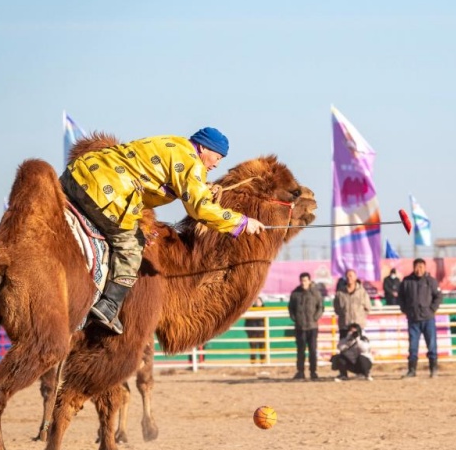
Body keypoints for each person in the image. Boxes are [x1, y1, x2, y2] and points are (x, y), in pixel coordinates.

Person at [60, 127, 265, 334]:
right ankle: (109, 305)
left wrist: (200, 188)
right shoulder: (191, 162)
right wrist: (241, 222)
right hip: (105, 193)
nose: (216, 164)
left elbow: (160, 179)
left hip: (75, 175)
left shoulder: (173, 143)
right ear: (203, 148)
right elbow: (200, 209)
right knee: (132, 245)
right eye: (217, 157)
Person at [398, 258, 443, 378]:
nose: (419, 270)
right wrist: (405, 309)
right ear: (413, 268)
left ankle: (433, 369)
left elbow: (438, 296)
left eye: (421, 267)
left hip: (428, 319)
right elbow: (400, 297)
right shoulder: (406, 281)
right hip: (413, 320)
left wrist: (432, 309)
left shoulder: (431, 281)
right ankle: (412, 370)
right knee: (413, 346)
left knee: (432, 345)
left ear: (425, 267)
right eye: (417, 267)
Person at [288, 273, 325, 380]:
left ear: (309, 281)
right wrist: (295, 318)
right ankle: (300, 372)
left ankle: (313, 372)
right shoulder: (295, 293)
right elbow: (291, 308)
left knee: (312, 350)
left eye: (305, 280)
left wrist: (315, 318)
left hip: (312, 327)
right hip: (300, 327)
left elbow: (320, 307)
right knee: (301, 350)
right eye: (302, 280)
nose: (303, 283)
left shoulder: (315, 293)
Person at [333, 269, 371, 339]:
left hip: (358, 326)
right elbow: (336, 308)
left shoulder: (362, 292)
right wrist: (344, 315)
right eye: (347, 276)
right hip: (344, 326)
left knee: (359, 345)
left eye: (351, 276)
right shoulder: (340, 293)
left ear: (355, 277)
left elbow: (368, 308)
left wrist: (360, 317)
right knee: (344, 345)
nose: (349, 278)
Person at [244, 296, 266, 363]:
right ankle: (253, 362)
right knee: (253, 348)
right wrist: (249, 331)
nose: (258, 302)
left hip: (261, 332)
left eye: (259, 301)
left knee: (262, 347)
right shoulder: (251, 310)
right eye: (256, 301)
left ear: (262, 302)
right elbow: (247, 322)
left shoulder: (265, 310)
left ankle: (263, 361)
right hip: (253, 332)